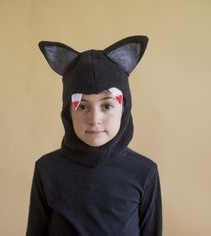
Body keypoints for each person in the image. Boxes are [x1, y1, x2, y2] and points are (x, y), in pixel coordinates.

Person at [26, 36, 162, 236]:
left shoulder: (144, 172)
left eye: (107, 106)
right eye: (82, 106)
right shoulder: (47, 169)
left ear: (124, 109)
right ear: (67, 111)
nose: (94, 119)